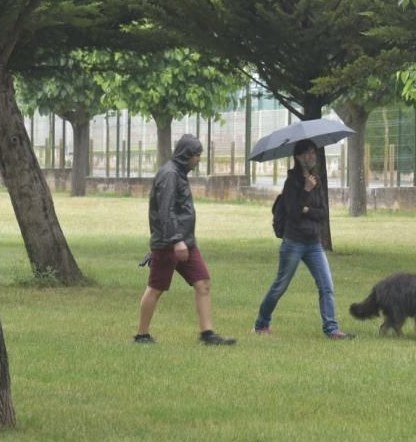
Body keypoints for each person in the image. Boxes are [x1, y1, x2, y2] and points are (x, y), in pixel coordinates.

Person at [135, 134, 235, 346]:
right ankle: (141, 335)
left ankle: (207, 334)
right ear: (186, 155)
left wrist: (184, 240)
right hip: (168, 243)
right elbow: (166, 211)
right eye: (196, 156)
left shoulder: (179, 173)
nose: (199, 160)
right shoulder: (170, 175)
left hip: (186, 242)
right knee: (156, 288)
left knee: (203, 282)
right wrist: (176, 240)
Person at [253, 139, 353, 339]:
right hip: (294, 242)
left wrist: (307, 207)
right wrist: (305, 192)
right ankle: (262, 323)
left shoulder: (317, 180)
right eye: (307, 153)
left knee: (326, 285)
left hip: (314, 243)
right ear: (298, 157)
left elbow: (323, 213)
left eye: (313, 152)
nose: (311, 156)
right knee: (280, 285)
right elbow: (294, 213)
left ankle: (331, 329)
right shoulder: (292, 183)